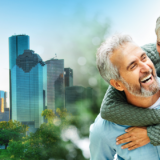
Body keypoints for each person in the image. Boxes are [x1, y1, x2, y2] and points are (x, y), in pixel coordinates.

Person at [89, 34, 160, 160]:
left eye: (144, 58)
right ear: (117, 84)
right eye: (133, 66)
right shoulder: (104, 129)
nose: (146, 68)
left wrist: (152, 133)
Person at [100, 16, 160, 149]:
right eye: (159, 44)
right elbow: (109, 109)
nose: (144, 67)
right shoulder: (149, 55)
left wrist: (154, 133)